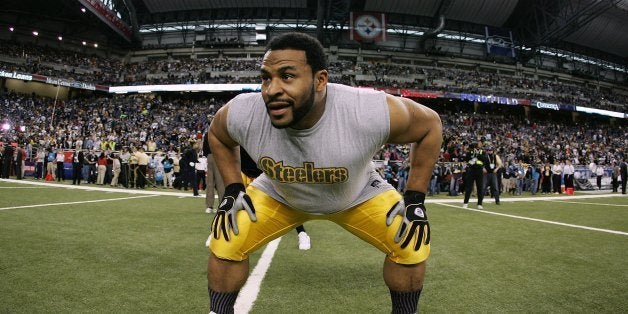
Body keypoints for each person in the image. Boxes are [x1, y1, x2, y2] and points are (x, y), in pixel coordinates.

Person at [206, 32, 442, 314]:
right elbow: (217, 136)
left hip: (357, 195)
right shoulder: (245, 111)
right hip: (280, 194)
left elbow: (430, 125)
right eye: (266, 77)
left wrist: (415, 198)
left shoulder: (365, 110)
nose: (271, 89)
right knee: (227, 235)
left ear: (320, 80)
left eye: (287, 76)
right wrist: (233, 189)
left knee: (411, 240)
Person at [462, 142, 487, 209]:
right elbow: (467, 159)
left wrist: (477, 154)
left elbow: (484, 159)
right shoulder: (470, 152)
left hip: (479, 170)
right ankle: (465, 203)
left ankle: (479, 204)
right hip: (471, 170)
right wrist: (473, 155)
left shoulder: (482, 152)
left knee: (480, 187)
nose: (480, 145)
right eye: (479, 144)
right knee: (469, 187)